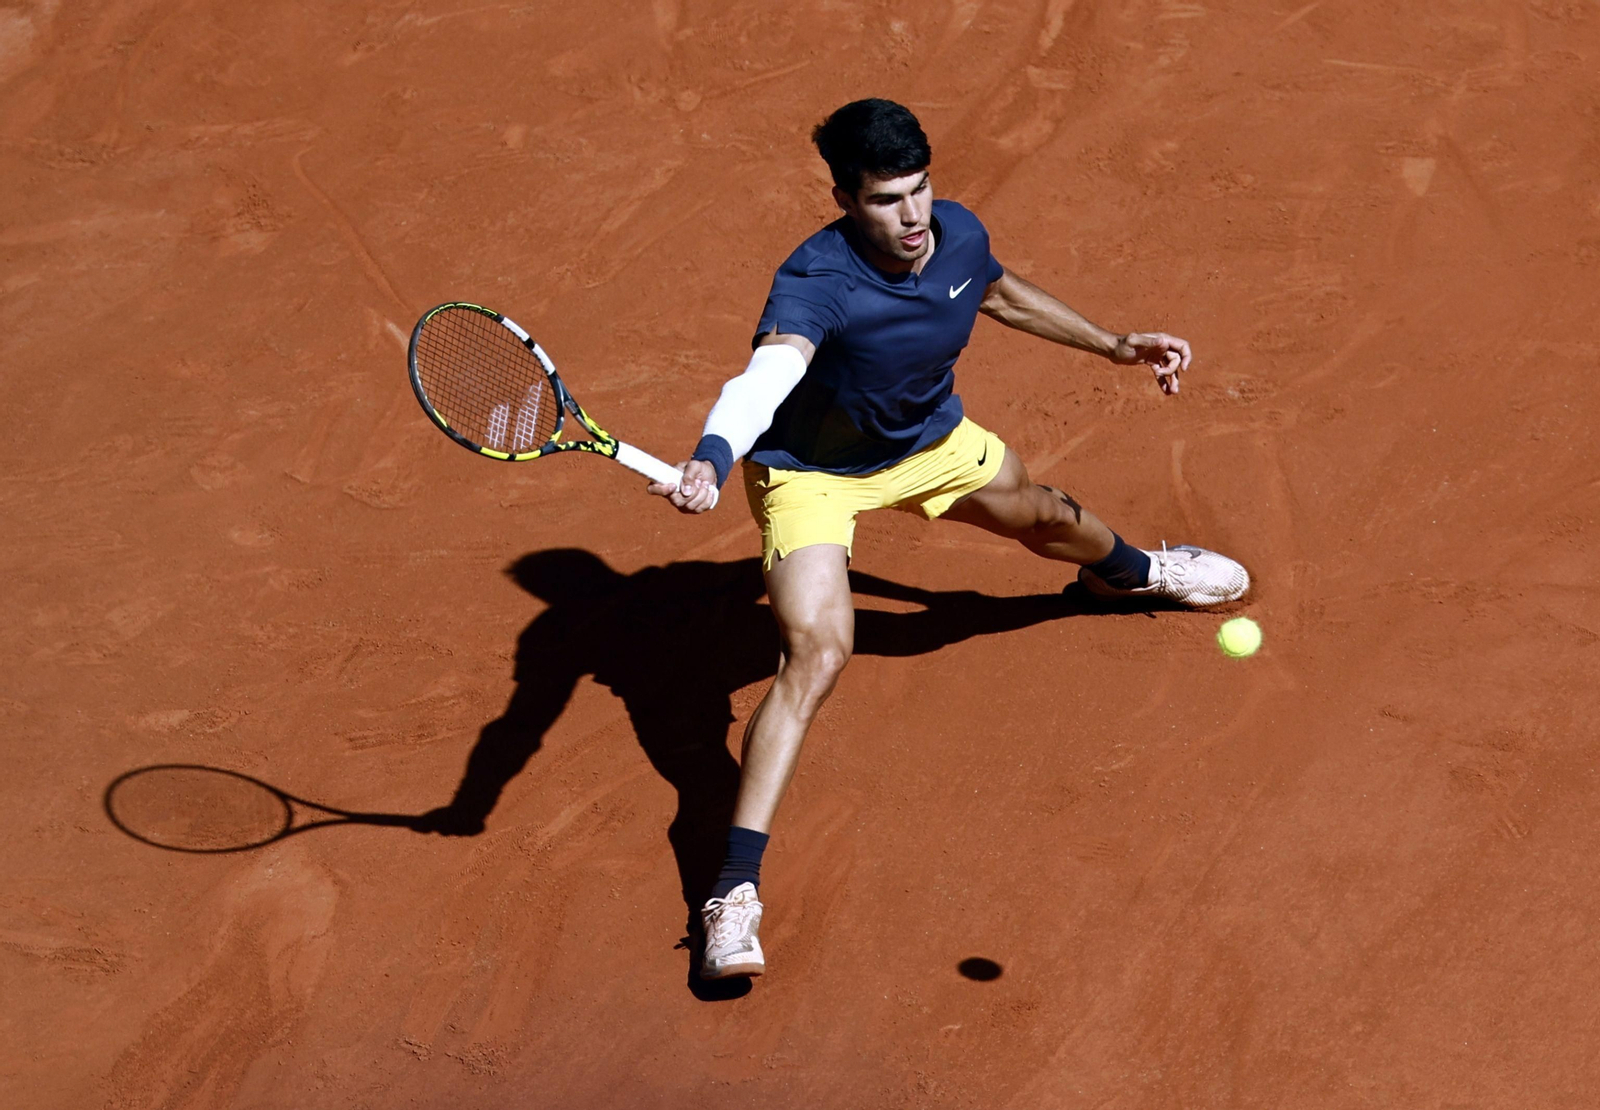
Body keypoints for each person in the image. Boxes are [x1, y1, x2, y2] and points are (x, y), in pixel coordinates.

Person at [646, 98, 1248, 980]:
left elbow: (999, 292)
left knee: (1042, 513)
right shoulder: (814, 282)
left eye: (922, 190)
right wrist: (711, 453)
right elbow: (765, 377)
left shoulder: (955, 233)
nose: (915, 216)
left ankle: (1129, 573)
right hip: (811, 471)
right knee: (818, 653)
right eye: (889, 200)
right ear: (847, 199)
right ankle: (732, 893)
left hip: (925, 440)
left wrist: (1115, 345)